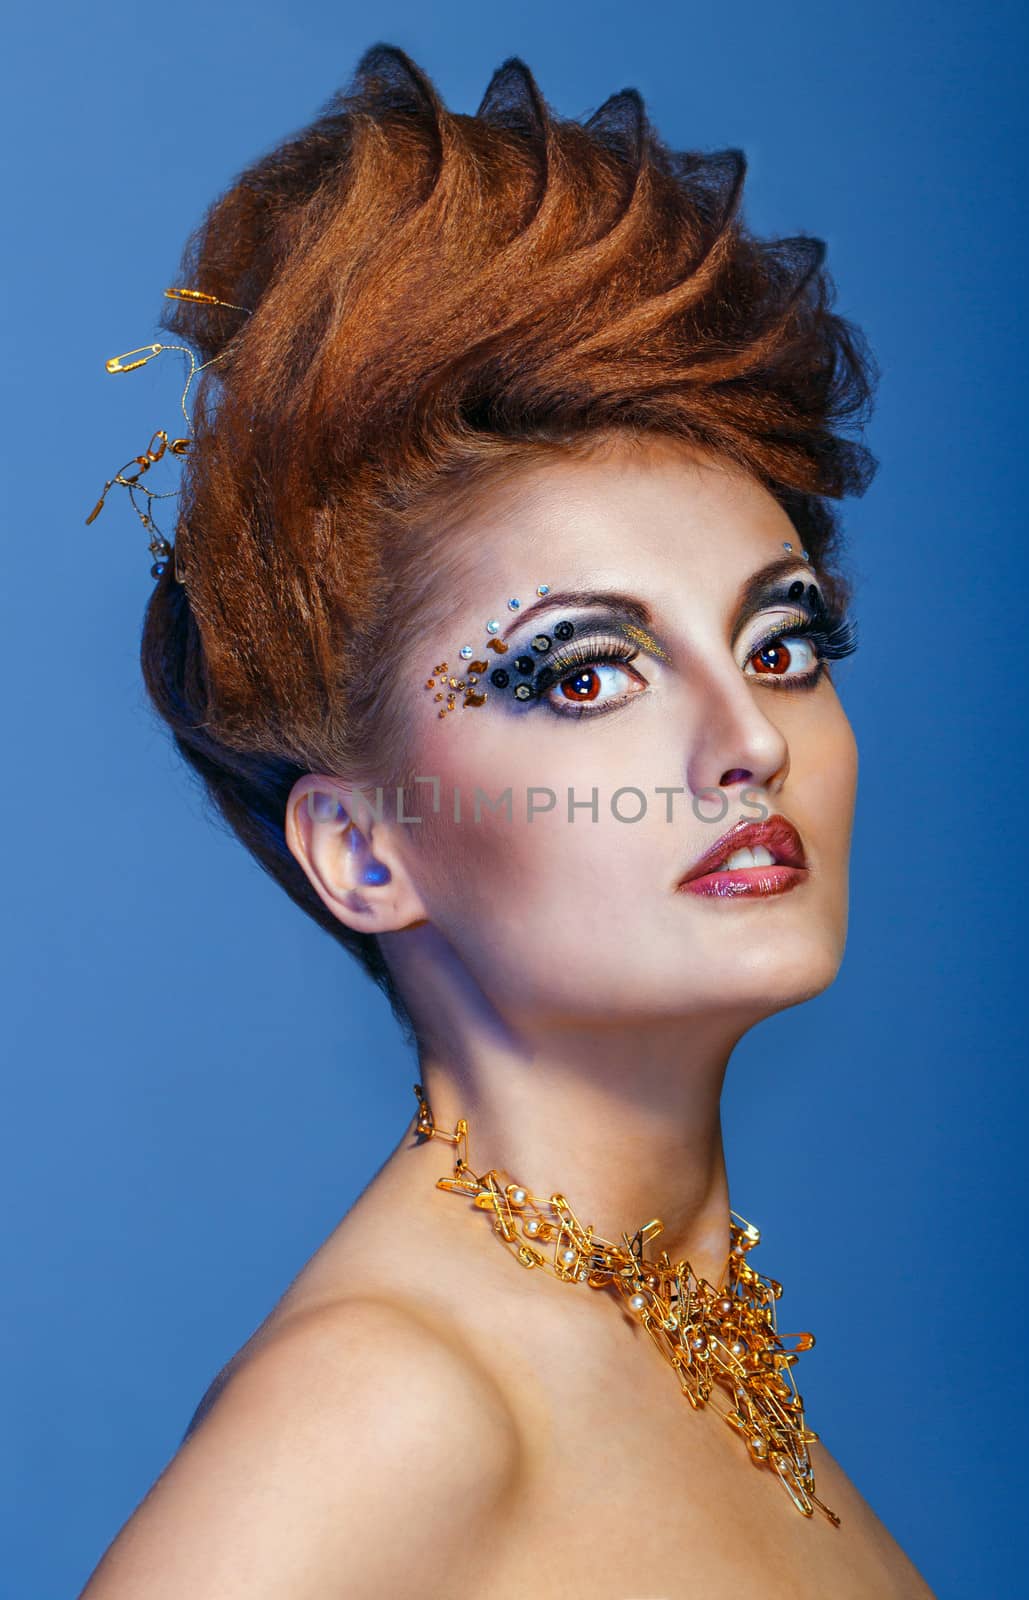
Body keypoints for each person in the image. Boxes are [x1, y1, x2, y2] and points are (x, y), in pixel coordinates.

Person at [79, 42, 936, 1599]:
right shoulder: (392, 1408)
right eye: (587, 673)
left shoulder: (693, 1342)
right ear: (364, 848)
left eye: (784, 644)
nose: (748, 741)